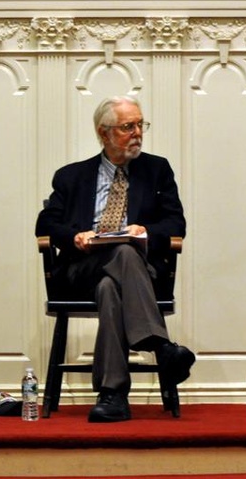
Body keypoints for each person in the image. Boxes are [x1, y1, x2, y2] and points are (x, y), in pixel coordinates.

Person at [36, 95, 195, 423]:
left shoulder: (157, 170)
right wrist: (75, 236)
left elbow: (176, 224)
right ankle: (160, 346)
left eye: (140, 124)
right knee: (121, 255)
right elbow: (46, 224)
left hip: (138, 272)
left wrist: (145, 231)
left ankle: (112, 395)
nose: (137, 133)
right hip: (82, 269)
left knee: (112, 285)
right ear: (103, 132)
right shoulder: (71, 176)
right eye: (127, 127)